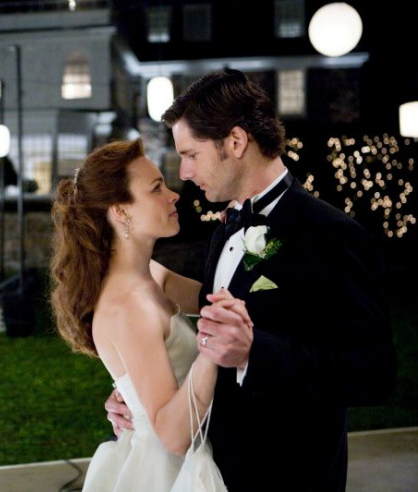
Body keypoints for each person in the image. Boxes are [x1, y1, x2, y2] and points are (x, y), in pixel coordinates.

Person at [105, 69, 397, 491]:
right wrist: (142, 401)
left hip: (290, 478)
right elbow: (213, 338)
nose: (184, 172)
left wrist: (254, 353)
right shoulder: (225, 228)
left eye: (191, 154)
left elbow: (375, 374)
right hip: (212, 473)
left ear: (236, 142)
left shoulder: (332, 235)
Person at [50, 138, 246, 490]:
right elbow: (172, 437)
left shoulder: (152, 275)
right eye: (156, 188)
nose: (173, 196)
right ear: (120, 211)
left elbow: (222, 300)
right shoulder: (128, 306)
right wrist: (210, 349)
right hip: (166, 472)